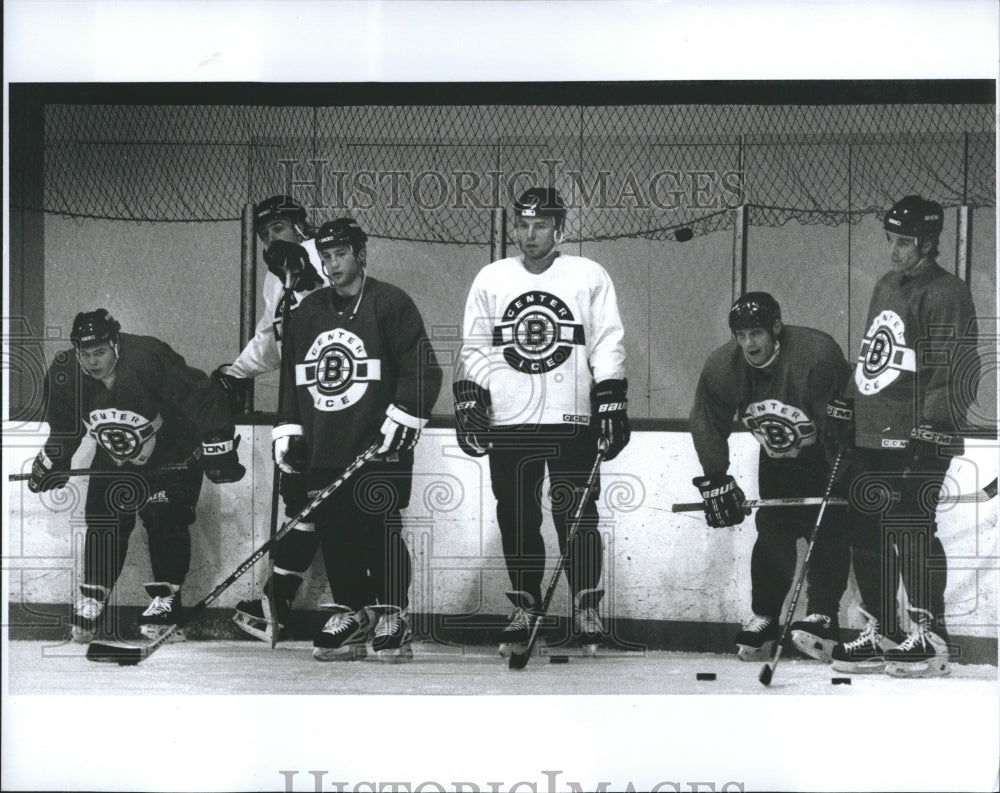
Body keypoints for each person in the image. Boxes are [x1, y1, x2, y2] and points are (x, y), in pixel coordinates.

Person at [453, 186, 630, 657]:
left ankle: (585, 606)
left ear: (560, 229)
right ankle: (527, 607)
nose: (530, 235)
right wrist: (471, 398)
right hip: (510, 418)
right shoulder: (491, 277)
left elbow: (607, 339)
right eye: (523, 225)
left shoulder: (588, 274)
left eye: (541, 226)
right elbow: (475, 344)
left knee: (576, 515)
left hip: (572, 417)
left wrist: (611, 397)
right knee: (516, 517)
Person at [274, 217, 442, 662]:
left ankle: (391, 612)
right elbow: (294, 380)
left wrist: (406, 413)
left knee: (380, 526)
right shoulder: (307, 312)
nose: (332, 265)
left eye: (340, 255)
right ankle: (353, 611)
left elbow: (422, 367)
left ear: (361, 255)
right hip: (325, 440)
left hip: (379, 443)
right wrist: (289, 430)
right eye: (325, 257)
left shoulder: (391, 303)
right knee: (334, 530)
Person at [827, 195, 979, 678]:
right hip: (875, 432)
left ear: (929, 243)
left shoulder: (946, 292)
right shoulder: (886, 284)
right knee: (865, 531)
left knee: (911, 528)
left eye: (904, 242)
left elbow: (956, 367)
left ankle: (931, 638)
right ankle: (883, 630)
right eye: (891, 239)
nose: (894, 250)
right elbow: (875, 351)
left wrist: (931, 426)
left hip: (918, 435)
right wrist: (849, 403)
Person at [29, 309, 245, 643]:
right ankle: (93, 598)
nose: (92, 362)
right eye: (84, 354)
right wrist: (51, 462)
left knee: (165, 517)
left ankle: (166, 602)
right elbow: (65, 429)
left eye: (99, 352)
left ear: (115, 344)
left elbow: (201, 393)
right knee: (103, 519)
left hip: (171, 452)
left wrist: (218, 442)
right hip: (116, 454)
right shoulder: (64, 373)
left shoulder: (148, 356)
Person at [689, 292, 852, 661]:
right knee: (773, 531)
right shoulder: (723, 366)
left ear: (776, 327)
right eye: (741, 335)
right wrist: (716, 477)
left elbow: (839, 424)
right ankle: (765, 617)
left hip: (823, 454)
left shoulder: (815, 356)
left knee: (827, 528)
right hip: (776, 458)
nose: (749, 343)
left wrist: (844, 471)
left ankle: (822, 616)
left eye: (757, 333)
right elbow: (706, 420)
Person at [216, 195, 331, 643]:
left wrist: (302, 270)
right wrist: (235, 372)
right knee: (301, 499)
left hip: (337, 398)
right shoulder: (273, 279)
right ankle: (276, 599)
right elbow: (272, 334)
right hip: (297, 400)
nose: (270, 240)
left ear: (302, 226)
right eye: (264, 235)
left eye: (278, 230)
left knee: (330, 503)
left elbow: (332, 310)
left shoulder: (327, 258)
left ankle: (357, 606)